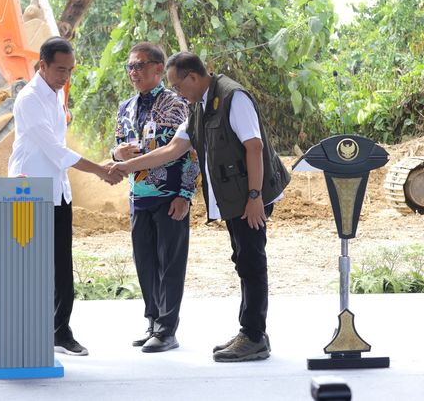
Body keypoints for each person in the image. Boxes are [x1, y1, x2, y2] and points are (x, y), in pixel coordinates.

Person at [110, 52, 290, 362]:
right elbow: (172, 149)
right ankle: (249, 332)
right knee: (243, 260)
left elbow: (254, 146)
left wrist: (255, 197)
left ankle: (255, 336)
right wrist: (126, 165)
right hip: (236, 197)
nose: (177, 93)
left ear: (193, 77)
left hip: (249, 197)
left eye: (178, 86)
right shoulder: (199, 107)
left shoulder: (233, 97)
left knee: (252, 262)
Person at [8, 36, 125, 357]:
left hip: (57, 192)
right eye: (60, 70)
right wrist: (101, 170)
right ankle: (23, 334)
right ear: (42, 66)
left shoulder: (55, 96)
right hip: (27, 191)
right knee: (26, 266)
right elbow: (55, 150)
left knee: (62, 265)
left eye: (70, 71)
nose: (65, 77)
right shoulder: (29, 99)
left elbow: (57, 152)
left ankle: (60, 331)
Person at [111, 42, 199, 353]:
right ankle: (152, 322)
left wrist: (186, 194)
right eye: (130, 66)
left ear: (158, 69)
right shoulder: (125, 107)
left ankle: (167, 330)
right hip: (138, 197)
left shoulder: (178, 104)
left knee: (170, 264)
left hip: (170, 196)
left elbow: (192, 152)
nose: (134, 71)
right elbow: (119, 148)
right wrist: (115, 152)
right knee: (145, 263)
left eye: (140, 65)